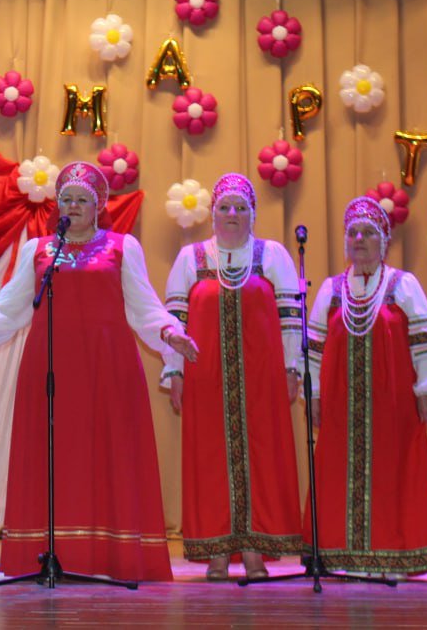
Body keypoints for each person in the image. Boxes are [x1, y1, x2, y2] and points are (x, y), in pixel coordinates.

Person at [0, 162, 198, 582]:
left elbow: (144, 307)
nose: (73, 206)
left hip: (108, 368)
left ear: (98, 207)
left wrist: (170, 334)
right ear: (57, 206)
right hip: (49, 369)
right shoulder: (39, 250)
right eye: (66, 200)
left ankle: (110, 555)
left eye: (82, 200)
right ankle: (52, 552)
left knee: (107, 456)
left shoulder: (122, 247)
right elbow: (11, 307)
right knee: (54, 457)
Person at [161, 173, 304, 581]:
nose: (232, 214)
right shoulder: (190, 258)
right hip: (205, 378)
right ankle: (217, 552)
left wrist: (291, 367)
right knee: (209, 460)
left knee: (262, 459)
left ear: (253, 214)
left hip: (262, 378)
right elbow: (174, 320)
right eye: (224, 207)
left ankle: (255, 552)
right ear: (213, 214)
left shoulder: (273, 254)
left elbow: (291, 317)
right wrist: (174, 371)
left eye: (241, 208)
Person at [302, 196, 427, 577]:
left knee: (393, 473)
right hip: (340, 405)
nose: (359, 239)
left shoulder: (403, 285)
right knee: (339, 475)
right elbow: (313, 350)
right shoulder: (331, 290)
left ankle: (392, 556)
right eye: (353, 232)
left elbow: (425, 340)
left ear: (384, 240)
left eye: (368, 232)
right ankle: (341, 556)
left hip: (393, 402)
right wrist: (312, 395)